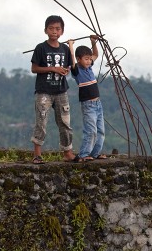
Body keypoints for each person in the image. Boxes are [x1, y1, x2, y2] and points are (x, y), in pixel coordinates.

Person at [30, 15, 76, 163]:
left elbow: (69, 66)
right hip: (44, 91)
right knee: (41, 121)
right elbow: (34, 68)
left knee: (64, 122)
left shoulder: (64, 49)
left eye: (57, 29)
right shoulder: (41, 48)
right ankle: (37, 155)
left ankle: (68, 153)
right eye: (51, 28)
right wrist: (52, 69)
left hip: (61, 91)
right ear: (45, 30)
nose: (54, 31)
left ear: (62, 32)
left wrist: (64, 70)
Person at [68, 35, 107, 162]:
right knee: (91, 131)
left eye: (90, 59)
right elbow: (72, 60)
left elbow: (96, 54)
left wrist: (93, 42)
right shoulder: (77, 71)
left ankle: (95, 153)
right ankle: (84, 154)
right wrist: (71, 45)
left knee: (100, 131)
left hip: (98, 104)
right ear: (79, 59)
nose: (89, 61)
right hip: (88, 105)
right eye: (86, 59)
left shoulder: (89, 67)